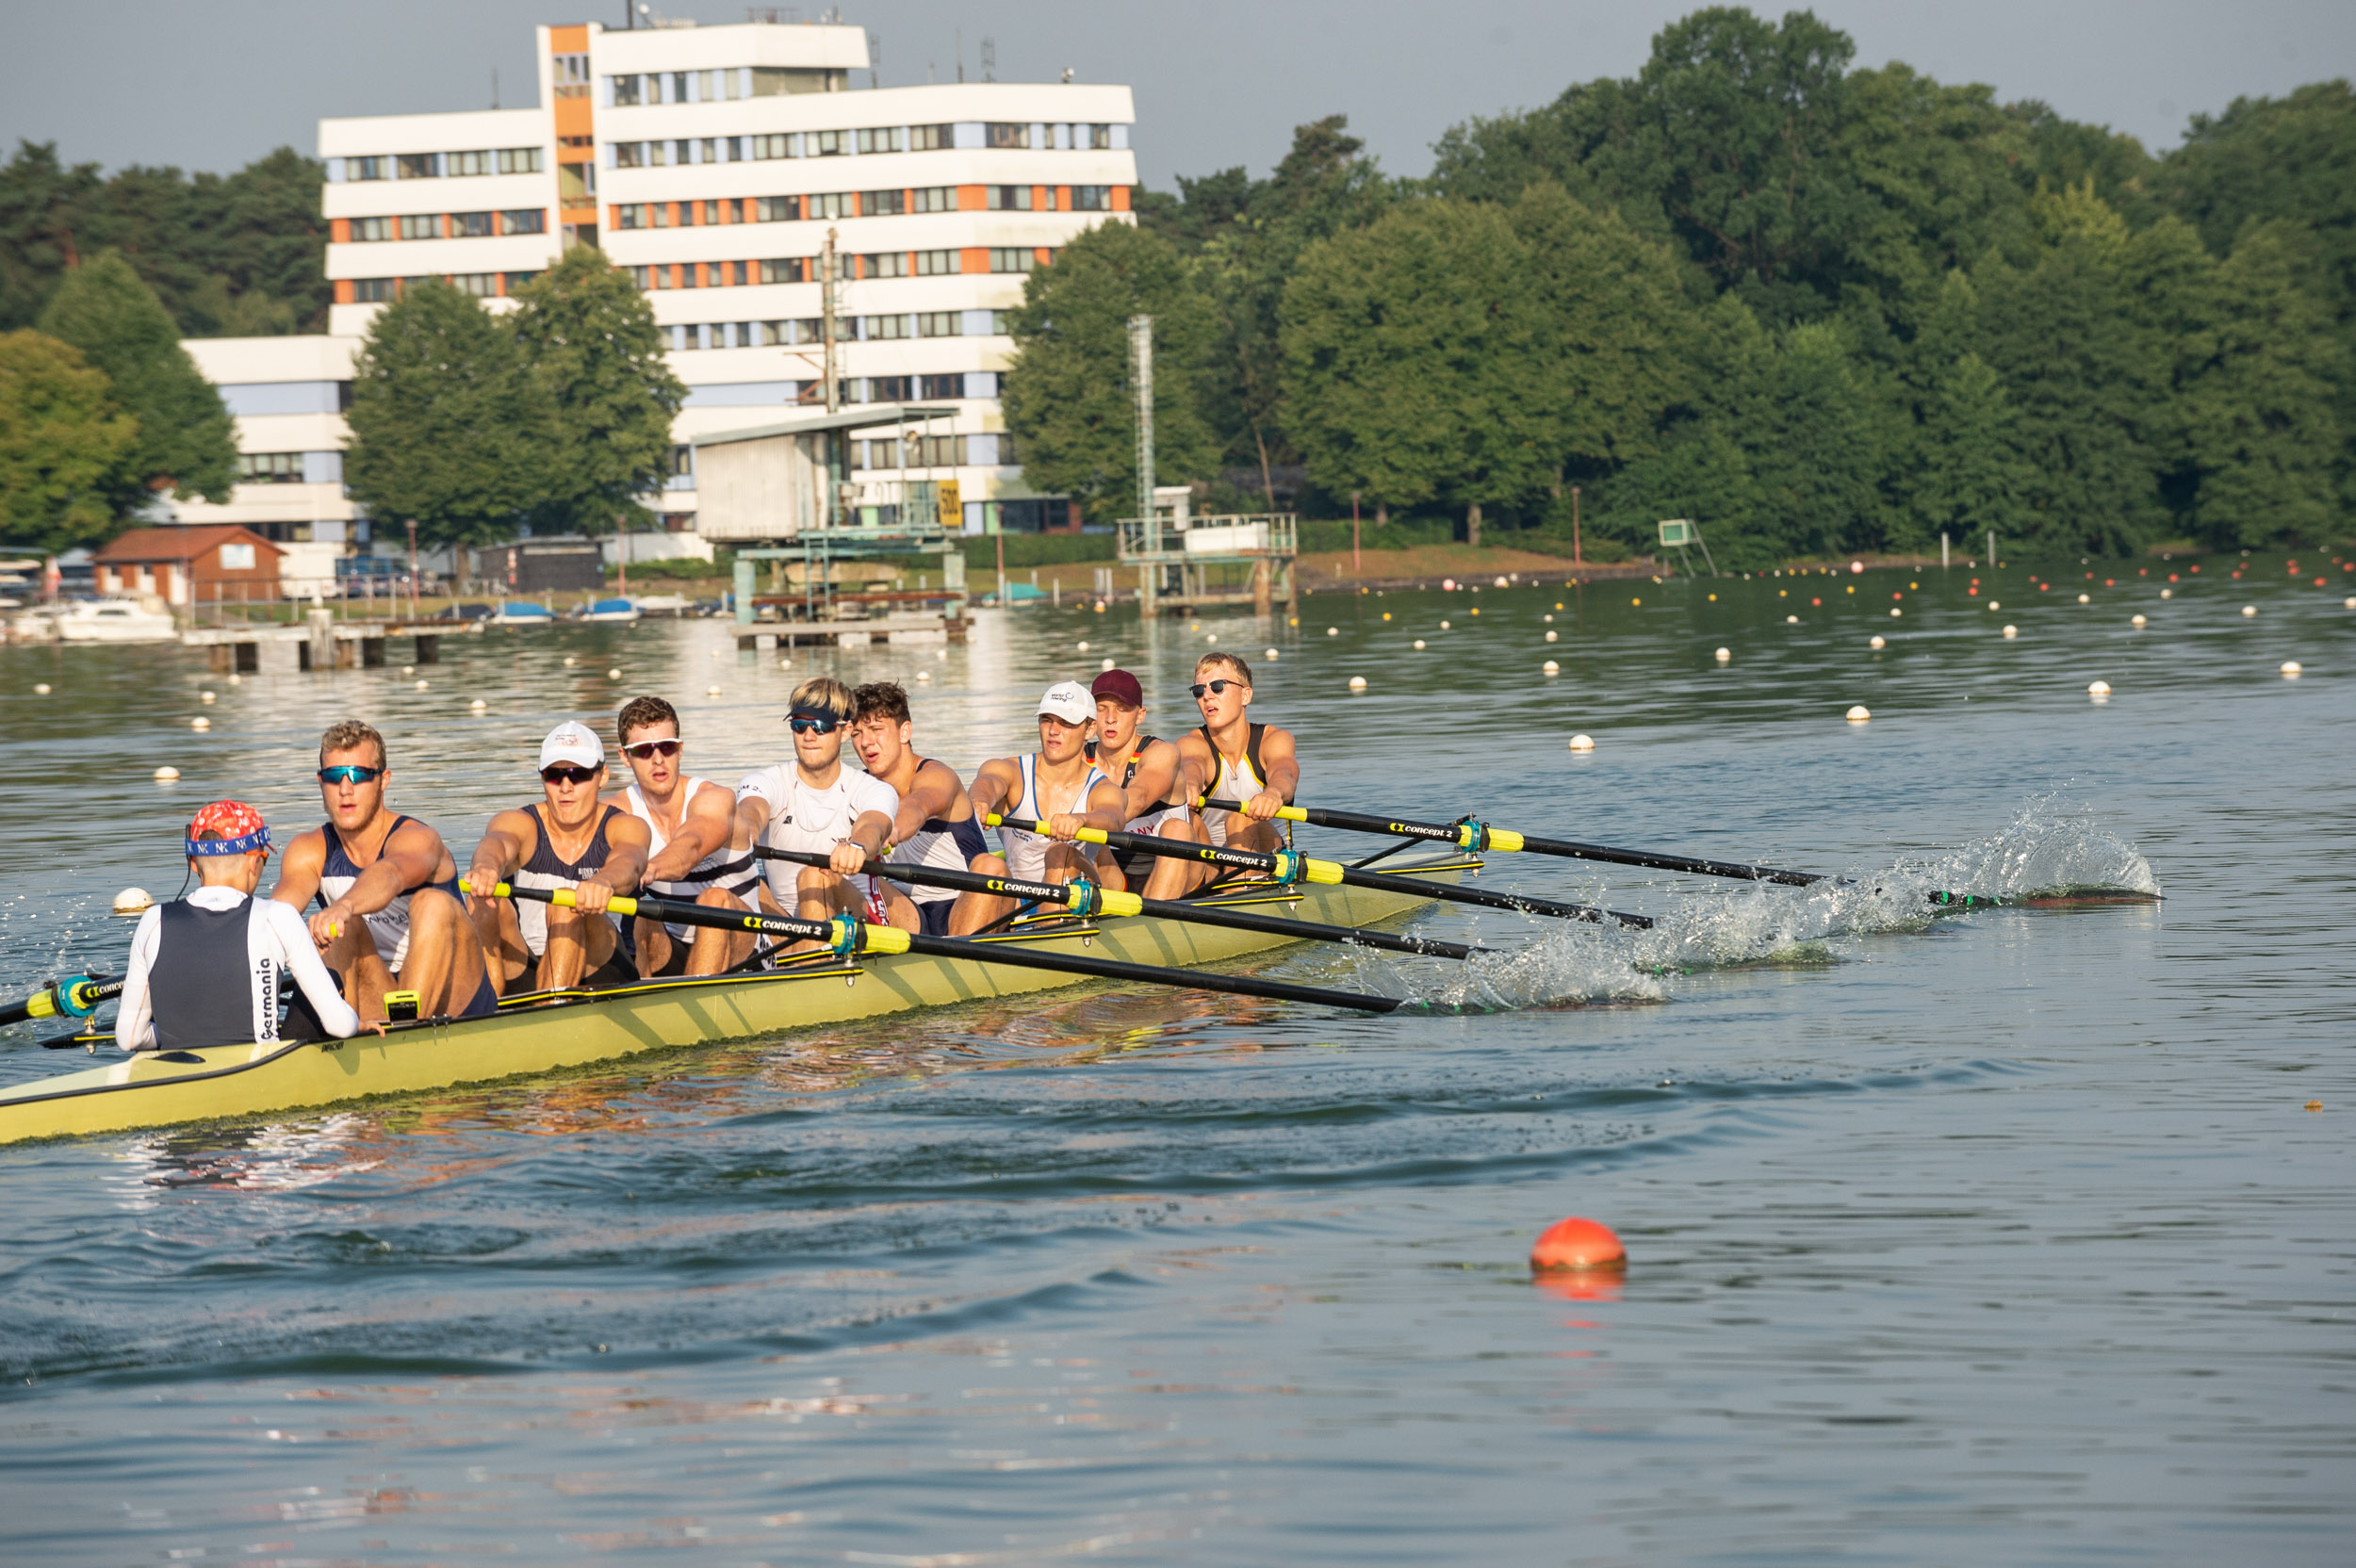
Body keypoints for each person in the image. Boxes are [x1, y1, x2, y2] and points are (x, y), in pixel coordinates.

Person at [273, 719, 496, 1021]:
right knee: (341, 929)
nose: (345, 789)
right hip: (378, 990)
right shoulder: (308, 849)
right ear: (320, 781)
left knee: (432, 904)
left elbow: (391, 874)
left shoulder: (418, 838)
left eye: (359, 775)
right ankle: (348, 1035)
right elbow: (274, 921)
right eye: (334, 776)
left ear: (384, 779)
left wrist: (344, 906)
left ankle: (406, 1035)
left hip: (453, 995)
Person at [117, 801, 362, 1054]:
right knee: (330, 980)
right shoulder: (278, 917)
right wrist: (357, 1021)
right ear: (254, 862)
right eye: (264, 860)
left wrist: (169, 1031)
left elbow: (130, 1038)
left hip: (176, 1076)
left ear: (193, 863)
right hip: (263, 1078)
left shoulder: (153, 920)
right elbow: (341, 1027)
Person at [464, 721, 651, 992]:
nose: (566, 786)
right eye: (554, 775)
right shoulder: (519, 822)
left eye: (579, 774)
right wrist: (485, 867)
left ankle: (552, 1008)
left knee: (565, 904)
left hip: (603, 967)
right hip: (529, 964)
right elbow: (497, 843)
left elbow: (630, 862)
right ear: (543, 779)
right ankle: (483, 1009)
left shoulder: (625, 826)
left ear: (603, 776)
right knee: (483, 900)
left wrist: (605, 882)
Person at [730, 677, 898, 954]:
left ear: (845, 732)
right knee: (734, 882)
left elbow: (873, 827)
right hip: (787, 926)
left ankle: (808, 971)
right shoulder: (764, 781)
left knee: (814, 876)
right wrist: (743, 834)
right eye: (799, 725)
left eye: (820, 726)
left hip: (859, 923)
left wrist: (858, 847)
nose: (808, 736)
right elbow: (751, 811)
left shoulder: (873, 790)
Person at [608, 695, 760, 976]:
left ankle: (695, 1002)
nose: (657, 760)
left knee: (714, 899)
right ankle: (644, 1000)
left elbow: (688, 850)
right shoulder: (616, 812)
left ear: (680, 750)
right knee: (640, 913)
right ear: (624, 757)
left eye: (666, 747)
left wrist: (645, 868)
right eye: (643, 750)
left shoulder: (713, 798)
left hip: (746, 946)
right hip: (675, 945)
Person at [848, 680, 1008, 936]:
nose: (866, 742)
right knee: (837, 876)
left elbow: (918, 806)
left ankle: (963, 957)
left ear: (905, 732)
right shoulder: (856, 787)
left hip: (966, 905)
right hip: (909, 912)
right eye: (856, 734)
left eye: (876, 729)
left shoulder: (936, 777)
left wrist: (889, 829)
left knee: (991, 866)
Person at [969, 681, 1131, 890]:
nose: (1053, 730)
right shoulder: (1011, 770)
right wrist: (980, 801)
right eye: (1046, 720)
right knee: (986, 865)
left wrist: (1081, 820)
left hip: (1076, 897)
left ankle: (1051, 920)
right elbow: (988, 782)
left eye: (1065, 722)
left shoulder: (1103, 789)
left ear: (1090, 729)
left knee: (1059, 853)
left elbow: (1114, 818)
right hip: (1017, 900)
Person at [1169, 651, 1301, 875]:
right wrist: (1189, 785)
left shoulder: (1274, 740)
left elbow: (1284, 773)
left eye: (1218, 686)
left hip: (1270, 857)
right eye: (1199, 691)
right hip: (1211, 862)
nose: (1207, 697)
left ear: (1245, 696)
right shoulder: (1190, 744)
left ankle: (1237, 893)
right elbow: (1192, 766)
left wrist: (1274, 794)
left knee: (1240, 818)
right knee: (1183, 822)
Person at [1086, 667, 1208, 899]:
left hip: (1173, 870)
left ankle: (1154, 920)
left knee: (1179, 830)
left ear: (1140, 715)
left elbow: (1138, 797)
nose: (1110, 719)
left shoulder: (1162, 753)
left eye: (1121, 710)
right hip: (1112, 875)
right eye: (1102, 710)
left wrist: (1081, 819)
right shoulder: (1081, 759)